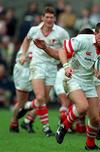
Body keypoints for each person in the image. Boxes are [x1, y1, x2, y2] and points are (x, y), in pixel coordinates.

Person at [34, 23, 100, 150]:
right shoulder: (83, 40)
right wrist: (64, 65)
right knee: (82, 107)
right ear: (95, 34)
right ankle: (64, 126)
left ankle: (90, 145)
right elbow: (61, 51)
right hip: (73, 78)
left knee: (95, 119)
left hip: (89, 82)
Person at [17, 7, 69, 137]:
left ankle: (27, 113)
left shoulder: (61, 33)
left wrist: (65, 62)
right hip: (37, 64)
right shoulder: (34, 30)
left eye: (52, 17)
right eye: (47, 17)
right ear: (42, 18)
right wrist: (23, 54)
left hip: (52, 67)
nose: (49, 20)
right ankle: (46, 129)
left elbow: (67, 48)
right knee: (41, 97)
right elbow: (26, 41)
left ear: (55, 19)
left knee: (44, 99)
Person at [9, 43, 36, 133]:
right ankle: (14, 123)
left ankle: (26, 119)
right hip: (23, 71)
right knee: (21, 102)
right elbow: (29, 57)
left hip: (31, 70)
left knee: (43, 98)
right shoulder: (31, 42)